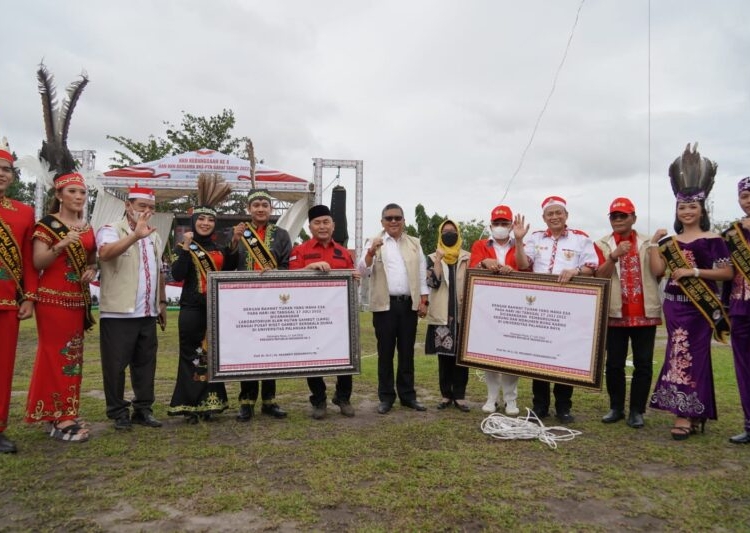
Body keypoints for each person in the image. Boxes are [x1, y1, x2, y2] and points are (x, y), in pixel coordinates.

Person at [649, 144, 733, 440]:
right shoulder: (670, 241)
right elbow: (658, 270)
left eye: (692, 207)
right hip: (674, 305)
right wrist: (653, 243)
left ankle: (687, 413)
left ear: (702, 209)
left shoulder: (714, 240)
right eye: (682, 207)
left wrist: (694, 272)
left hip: (699, 307)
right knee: (676, 353)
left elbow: (727, 273)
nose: (686, 211)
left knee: (693, 355)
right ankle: (690, 411)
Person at [24, 172, 97, 442]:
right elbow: (38, 262)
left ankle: (66, 410)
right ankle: (58, 416)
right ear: (58, 196)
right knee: (55, 356)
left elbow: (91, 259)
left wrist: (91, 269)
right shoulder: (48, 225)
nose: (78, 197)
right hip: (52, 300)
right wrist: (60, 245)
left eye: (82, 192)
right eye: (72, 192)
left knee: (73, 358)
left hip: (77, 300)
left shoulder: (87, 227)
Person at [517, 196, 598, 423]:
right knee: (539, 354)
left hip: (568, 305)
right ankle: (539, 406)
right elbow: (523, 264)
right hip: (540, 305)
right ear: (544, 218)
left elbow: (592, 267)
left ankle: (564, 407)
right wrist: (518, 240)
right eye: (550, 214)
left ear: (566, 216)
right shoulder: (534, 238)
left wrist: (575, 271)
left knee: (564, 355)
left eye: (558, 213)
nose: (554, 217)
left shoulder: (580, 239)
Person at [96, 185, 167, 430]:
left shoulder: (155, 235)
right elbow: (105, 254)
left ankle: (143, 409)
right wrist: (135, 235)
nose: (146, 212)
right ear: (128, 206)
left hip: (147, 312)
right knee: (115, 366)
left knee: (146, 364)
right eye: (141, 206)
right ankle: (118, 412)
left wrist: (162, 302)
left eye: (151, 208)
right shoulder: (111, 229)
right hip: (118, 312)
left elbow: (159, 271)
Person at [167, 174, 237, 424]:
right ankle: (190, 404)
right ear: (194, 221)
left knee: (211, 355)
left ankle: (210, 403)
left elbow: (229, 274)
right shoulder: (182, 246)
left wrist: (235, 245)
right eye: (201, 219)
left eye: (210, 219)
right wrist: (186, 247)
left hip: (215, 310)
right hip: (191, 309)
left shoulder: (220, 247)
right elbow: (177, 274)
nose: (206, 223)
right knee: (190, 354)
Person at [594, 198, 662, 429]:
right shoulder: (601, 244)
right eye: (614, 216)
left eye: (623, 215)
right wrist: (613, 256)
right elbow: (599, 277)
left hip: (644, 311)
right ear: (610, 219)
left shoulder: (647, 242)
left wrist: (654, 245)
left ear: (634, 217)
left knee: (643, 363)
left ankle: (637, 410)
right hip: (614, 312)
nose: (619, 220)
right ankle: (615, 408)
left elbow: (659, 272)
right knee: (613, 364)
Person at [289, 204, 360, 419]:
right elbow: (289, 280)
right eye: (317, 223)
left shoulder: (344, 253)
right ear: (310, 226)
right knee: (312, 357)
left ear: (333, 225)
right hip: (310, 317)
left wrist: (354, 278)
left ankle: (343, 397)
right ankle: (318, 399)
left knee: (346, 356)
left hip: (340, 317)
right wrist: (308, 269)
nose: (322, 226)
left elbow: (350, 284)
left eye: (326, 222)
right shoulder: (299, 251)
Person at [359, 203, 429, 414]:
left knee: (407, 353)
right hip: (384, 306)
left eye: (397, 218)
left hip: (408, 305)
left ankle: (408, 396)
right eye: (389, 218)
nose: (393, 221)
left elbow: (421, 273)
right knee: (385, 353)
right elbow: (362, 269)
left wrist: (423, 300)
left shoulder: (415, 243)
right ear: (382, 222)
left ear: (404, 220)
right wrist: (371, 251)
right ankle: (386, 397)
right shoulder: (373, 242)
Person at [232, 189, 290, 420]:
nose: (260, 208)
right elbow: (227, 263)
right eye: (256, 204)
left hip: (272, 299)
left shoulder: (282, 235)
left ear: (271, 209)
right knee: (247, 349)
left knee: (270, 348)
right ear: (249, 209)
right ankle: (246, 401)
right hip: (245, 299)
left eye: (265, 204)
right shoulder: (238, 232)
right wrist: (235, 241)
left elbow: (287, 265)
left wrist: (276, 272)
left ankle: (269, 400)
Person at [468, 205, 528, 415]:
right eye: (497, 223)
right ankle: (492, 397)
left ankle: (511, 399)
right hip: (488, 309)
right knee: (490, 354)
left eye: (505, 223)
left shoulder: (520, 244)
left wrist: (513, 270)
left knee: (512, 355)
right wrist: (485, 262)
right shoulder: (480, 244)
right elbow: (472, 268)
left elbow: (526, 267)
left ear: (511, 225)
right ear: (491, 224)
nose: (500, 227)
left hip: (514, 307)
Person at [0, 139, 37, 454]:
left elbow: (27, 260)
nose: (2, 174)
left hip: (7, 303)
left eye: (6, 169)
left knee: (3, 367)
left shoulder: (24, 212)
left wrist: (29, 297)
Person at [425, 219, 472, 412]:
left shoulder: (467, 257)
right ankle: (445, 395)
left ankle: (459, 396)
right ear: (440, 234)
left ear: (458, 233)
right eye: (445, 231)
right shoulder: (432, 257)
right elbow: (433, 283)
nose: (449, 234)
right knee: (444, 357)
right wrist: (438, 260)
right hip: (442, 314)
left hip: (462, 313)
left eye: (452, 231)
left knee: (461, 357)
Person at [724, 177, 750, 444]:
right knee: (744, 368)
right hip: (740, 307)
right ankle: (749, 423)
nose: (749, 200)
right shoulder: (731, 234)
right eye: (745, 196)